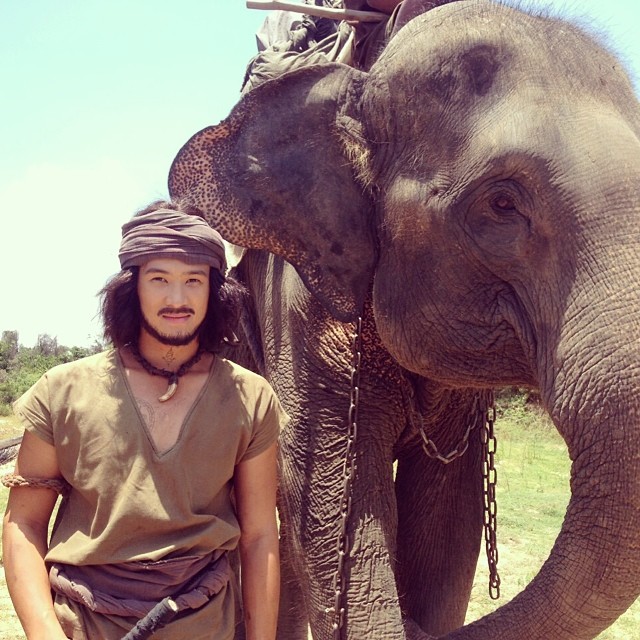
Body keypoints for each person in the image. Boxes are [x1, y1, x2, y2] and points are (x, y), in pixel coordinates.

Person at [2, 200, 286, 640]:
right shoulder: (62, 392)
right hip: (84, 625)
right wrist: (46, 634)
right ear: (131, 287)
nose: (177, 299)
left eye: (194, 280)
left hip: (205, 626)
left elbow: (259, 535)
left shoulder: (249, 397)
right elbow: (24, 523)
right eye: (159, 279)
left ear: (215, 291)